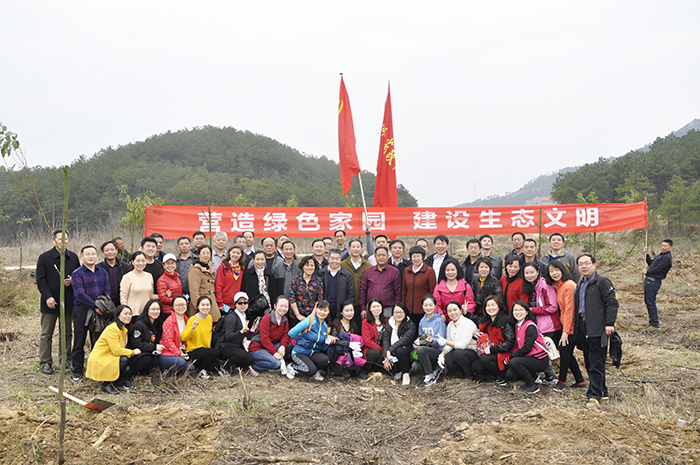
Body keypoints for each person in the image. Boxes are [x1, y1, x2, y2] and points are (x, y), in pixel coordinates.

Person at [575, 254, 618, 407]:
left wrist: (609, 323)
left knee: (596, 362)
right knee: (589, 361)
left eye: (587, 263)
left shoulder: (602, 282)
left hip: (598, 328)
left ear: (594, 264)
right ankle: (602, 390)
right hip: (583, 326)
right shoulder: (580, 283)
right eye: (581, 264)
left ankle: (594, 395)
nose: (584, 266)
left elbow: (612, 303)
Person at [36, 229, 80, 375]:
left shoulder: (73, 257)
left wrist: (73, 280)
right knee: (46, 333)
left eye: (65, 239)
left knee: (66, 332)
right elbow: (40, 280)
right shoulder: (45, 257)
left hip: (68, 301)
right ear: (53, 240)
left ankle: (65, 360)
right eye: (60, 239)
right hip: (50, 302)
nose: (63, 241)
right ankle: (45, 362)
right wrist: (48, 297)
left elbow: (78, 275)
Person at [70, 245, 111, 381]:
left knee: (98, 341)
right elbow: (80, 294)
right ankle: (77, 372)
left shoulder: (102, 272)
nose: (91, 256)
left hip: (99, 312)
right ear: (82, 256)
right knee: (79, 341)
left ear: (97, 256)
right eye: (87, 254)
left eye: (93, 254)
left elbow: (107, 290)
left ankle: (96, 369)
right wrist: (95, 306)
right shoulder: (77, 273)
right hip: (82, 310)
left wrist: (103, 306)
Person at [547, 261, 586, 392]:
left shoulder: (569, 285)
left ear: (563, 270)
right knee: (567, 352)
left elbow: (570, 310)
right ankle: (580, 381)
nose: (554, 273)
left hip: (572, 326)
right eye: (551, 271)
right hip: (566, 325)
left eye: (557, 270)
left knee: (564, 351)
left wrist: (566, 331)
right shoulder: (559, 286)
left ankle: (561, 381)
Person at [85, 305, 141, 395]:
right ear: (118, 315)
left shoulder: (122, 328)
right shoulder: (112, 328)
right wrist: (133, 352)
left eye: (130, 314)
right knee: (124, 360)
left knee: (129, 363)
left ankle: (118, 382)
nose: (128, 316)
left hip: (110, 355)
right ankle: (107, 384)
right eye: (125, 314)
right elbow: (117, 350)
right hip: (101, 357)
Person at [522, 261, 560, 385]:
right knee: (540, 349)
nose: (529, 275)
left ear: (538, 272)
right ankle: (547, 375)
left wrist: (533, 310)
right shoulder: (531, 286)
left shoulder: (545, 285)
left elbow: (553, 307)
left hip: (548, 324)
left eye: (532, 272)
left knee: (542, 350)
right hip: (538, 324)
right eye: (526, 273)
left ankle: (550, 375)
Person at [505, 301, 550, 394]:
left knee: (514, 362)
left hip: (539, 359)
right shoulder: (518, 325)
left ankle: (532, 385)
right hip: (528, 358)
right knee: (510, 374)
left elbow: (527, 348)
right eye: (515, 310)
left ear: (526, 312)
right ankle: (533, 376)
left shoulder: (530, 326)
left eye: (521, 310)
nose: (518, 312)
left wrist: (510, 357)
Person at [287, 300, 338, 381]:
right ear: (316, 309)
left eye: (325, 310)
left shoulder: (327, 327)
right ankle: (292, 366)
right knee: (311, 370)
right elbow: (291, 333)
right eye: (320, 309)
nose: (322, 312)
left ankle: (312, 369)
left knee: (325, 360)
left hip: (313, 353)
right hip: (300, 352)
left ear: (328, 312)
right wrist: (301, 338)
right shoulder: (310, 321)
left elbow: (323, 348)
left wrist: (327, 341)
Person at [471, 296, 514, 385]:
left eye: (493, 305)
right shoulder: (486, 320)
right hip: (491, 351)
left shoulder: (505, 320)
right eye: (488, 305)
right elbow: (485, 337)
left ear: (499, 306)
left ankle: (503, 376)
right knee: (476, 367)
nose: (490, 308)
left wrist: (492, 350)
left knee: (485, 359)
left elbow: (510, 342)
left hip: (504, 352)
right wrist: (477, 336)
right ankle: (496, 373)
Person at [214, 291, 256, 376]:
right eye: (240, 303)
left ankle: (233, 366)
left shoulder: (244, 316)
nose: (243, 305)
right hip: (224, 346)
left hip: (235, 346)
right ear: (235, 304)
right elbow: (228, 336)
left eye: (245, 303)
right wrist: (241, 332)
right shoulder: (231, 317)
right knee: (243, 356)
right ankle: (225, 367)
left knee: (249, 360)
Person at [436, 301, 479, 381]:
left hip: (471, 351)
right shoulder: (450, 325)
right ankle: (462, 370)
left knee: (458, 354)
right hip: (459, 351)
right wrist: (442, 354)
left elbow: (463, 345)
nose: (453, 313)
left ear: (460, 311)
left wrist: (445, 342)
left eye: (455, 310)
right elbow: (449, 343)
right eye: (449, 311)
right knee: (447, 360)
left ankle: (469, 373)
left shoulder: (468, 323)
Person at [248, 295, 291, 374]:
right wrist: (274, 353)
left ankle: (270, 363)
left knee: (288, 345)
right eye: (281, 306)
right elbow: (264, 339)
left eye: (286, 307)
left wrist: (282, 346)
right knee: (276, 363)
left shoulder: (285, 320)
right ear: (275, 306)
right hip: (258, 348)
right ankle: (254, 366)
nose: (283, 309)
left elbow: (285, 335)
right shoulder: (267, 318)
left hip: (270, 346)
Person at [181, 296, 221, 379]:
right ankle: (200, 371)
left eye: (207, 305)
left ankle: (200, 368)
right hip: (193, 351)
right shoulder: (193, 319)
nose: (205, 307)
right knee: (216, 352)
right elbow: (184, 337)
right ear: (198, 306)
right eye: (202, 305)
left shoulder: (209, 318)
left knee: (215, 367)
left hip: (205, 351)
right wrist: (192, 328)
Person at [414, 294, 447, 387]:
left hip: (438, 351)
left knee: (421, 350)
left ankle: (430, 375)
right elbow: (421, 337)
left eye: (430, 305)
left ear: (435, 306)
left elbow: (441, 340)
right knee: (415, 366)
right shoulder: (422, 321)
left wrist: (431, 341)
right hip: (427, 349)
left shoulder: (439, 321)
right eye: (425, 305)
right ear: (422, 306)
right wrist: (418, 343)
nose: (428, 308)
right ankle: (435, 369)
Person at [359, 246, 401, 319]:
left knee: (388, 326)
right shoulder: (368, 271)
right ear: (375, 257)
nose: (381, 257)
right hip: (371, 308)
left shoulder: (394, 271)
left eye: (383, 255)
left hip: (388, 308)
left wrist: (396, 308)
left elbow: (398, 291)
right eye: (379, 255)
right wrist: (363, 308)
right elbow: (363, 290)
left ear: (388, 256)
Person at [126, 299, 163, 378]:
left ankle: (142, 373)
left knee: (156, 359)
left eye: (157, 309)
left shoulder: (157, 324)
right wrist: (154, 347)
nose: (155, 311)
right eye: (152, 309)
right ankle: (129, 374)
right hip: (136, 354)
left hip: (148, 351)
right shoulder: (139, 324)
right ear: (147, 310)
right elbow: (136, 343)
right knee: (147, 358)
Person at [382, 303, 417, 386]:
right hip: (392, 355)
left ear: (405, 312)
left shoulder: (410, 325)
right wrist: (386, 357)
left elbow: (403, 341)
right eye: (396, 312)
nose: (398, 314)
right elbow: (385, 341)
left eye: (401, 312)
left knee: (400, 350)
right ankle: (398, 371)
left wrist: (389, 350)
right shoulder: (389, 324)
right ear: (393, 313)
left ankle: (405, 373)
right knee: (388, 366)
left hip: (405, 354)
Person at [159, 295, 195, 376]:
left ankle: (176, 372)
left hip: (179, 351)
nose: (181, 307)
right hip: (167, 353)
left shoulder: (187, 320)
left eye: (183, 304)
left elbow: (185, 337)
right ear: (173, 307)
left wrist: (184, 345)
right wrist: (179, 353)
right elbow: (168, 341)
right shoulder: (169, 321)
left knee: (191, 368)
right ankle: (167, 376)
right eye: (177, 305)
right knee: (180, 363)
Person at [402, 246, 437, 326]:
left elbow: (432, 291)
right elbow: (404, 290)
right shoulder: (407, 270)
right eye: (414, 256)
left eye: (418, 256)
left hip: (423, 309)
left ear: (423, 257)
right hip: (408, 309)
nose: (416, 259)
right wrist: (403, 306)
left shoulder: (429, 271)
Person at [433, 257, 476, 322]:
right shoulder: (438, 287)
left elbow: (470, 303)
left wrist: (466, 311)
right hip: (444, 320)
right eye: (447, 270)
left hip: (462, 320)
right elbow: (436, 305)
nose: (450, 272)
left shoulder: (466, 287)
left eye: (453, 270)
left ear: (457, 270)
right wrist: (441, 314)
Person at [643, 239, 673, 329]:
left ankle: (655, 323)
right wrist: (646, 255)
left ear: (670, 247)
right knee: (648, 302)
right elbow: (652, 264)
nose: (663, 247)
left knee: (650, 302)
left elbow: (658, 269)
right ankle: (652, 321)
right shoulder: (661, 255)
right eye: (662, 245)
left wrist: (647, 272)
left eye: (665, 246)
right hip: (650, 280)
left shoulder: (667, 258)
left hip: (654, 281)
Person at [288, 255, 324, 326]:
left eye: (312, 265)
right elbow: (292, 298)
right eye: (307, 265)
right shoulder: (295, 279)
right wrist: (298, 315)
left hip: (312, 316)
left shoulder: (318, 280)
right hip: (296, 317)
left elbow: (319, 299)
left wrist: (312, 315)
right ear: (303, 266)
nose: (310, 267)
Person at [319, 248, 354, 322]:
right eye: (332, 258)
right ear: (328, 259)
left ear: (340, 260)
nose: (334, 261)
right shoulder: (321, 273)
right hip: (324, 309)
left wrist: (346, 309)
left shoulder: (346, 275)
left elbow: (351, 293)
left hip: (340, 309)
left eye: (337, 259)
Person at [188, 245, 221, 322]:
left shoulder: (210, 268)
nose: (206, 255)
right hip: (201, 303)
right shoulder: (195, 270)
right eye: (203, 253)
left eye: (208, 253)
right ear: (199, 255)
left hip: (211, 302)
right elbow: (194, 291)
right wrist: (198, 306)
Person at [120, 251, 157, 316]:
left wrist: (164, 295)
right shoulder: (127, 277)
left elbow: (151, 296)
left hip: (147, 314)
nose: (141, 263)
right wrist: (126, 312)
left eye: (143, 261)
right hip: (132, 314)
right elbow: (123, 298)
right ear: (132, 262)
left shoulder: (149, 276)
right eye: (138, 261)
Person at [340, 238, 371, 315]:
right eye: (353, 247)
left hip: (363, 304)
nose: (355, 249)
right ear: (349, 249)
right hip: (346, 304)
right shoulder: (342, 265)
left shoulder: (368, 266)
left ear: (361, 249)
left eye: (358, 247)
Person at [96, 240, 131, 307]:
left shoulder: (125, 267)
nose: (110, 252)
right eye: (107, 250)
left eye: (112, 249)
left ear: (116, 251)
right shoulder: (98, 268)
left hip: (122, 303)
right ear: (102, 253)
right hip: (104, 304)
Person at [242, 250, 274, 320]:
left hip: (267, 305)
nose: (260, 262)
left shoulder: (269, 274)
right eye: (257, 259)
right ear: (254, 260)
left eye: (262, 259)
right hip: (253, 306)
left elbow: (273, 292)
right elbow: (243, 289)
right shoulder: (247, 273)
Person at [215, 245, 246, 313]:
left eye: (238, 253)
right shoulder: (222, 267)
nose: (235, 255)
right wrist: (220, 302)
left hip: (238, 303)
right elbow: (218, 286)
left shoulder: (242, 269)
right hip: (225, 304)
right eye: (233, 252)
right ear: (229, 253)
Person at [361, 298, 386, 376]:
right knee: (375, 353)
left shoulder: (386, 322)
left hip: (383, 349)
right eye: (374, 307)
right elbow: (367, 342)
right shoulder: (365, 322)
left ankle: (376, 370)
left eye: (378, 306)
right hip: (370, 349)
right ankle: (364, 370)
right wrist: (382, 350)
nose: (376, 309)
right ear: (370, 309)